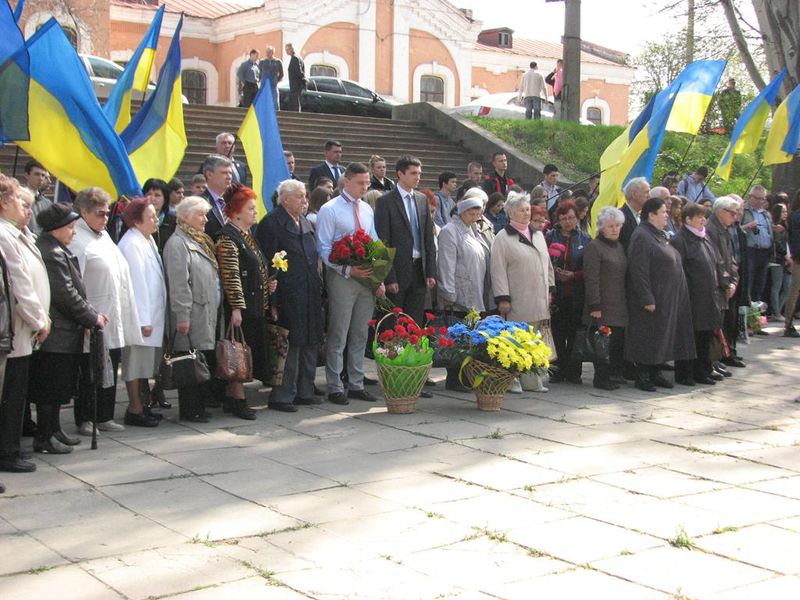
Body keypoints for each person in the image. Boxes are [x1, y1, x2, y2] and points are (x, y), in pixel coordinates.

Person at [31, 204, 106, 453]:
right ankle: (44, 436)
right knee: (50, 389)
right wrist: (91, 317)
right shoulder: (51, 252)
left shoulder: (57, 249)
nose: (74, 232)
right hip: (57, 335)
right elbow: (65, 294)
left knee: (59, 388)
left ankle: (54, 430)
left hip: (65, 333)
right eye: (70, 227)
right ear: (56, 228)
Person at [70, 187, 142, 435]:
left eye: (107, 213)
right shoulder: (77, 239)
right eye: (100, 213)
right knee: (90, 371)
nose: (105, 218)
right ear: (83, 212)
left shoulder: (103, 236)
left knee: (110, 364)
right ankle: (86, 418)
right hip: (93, 313)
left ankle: (104, 414)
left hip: (113, 313)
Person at [316, 162, 386, 405]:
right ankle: (335, 385)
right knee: (339, 332)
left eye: (367, 183)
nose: (365, 187)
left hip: (366, 277)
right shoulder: (330, 209)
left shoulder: (366, 208)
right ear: (346, 182)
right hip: (343, 277)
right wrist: (346, 268)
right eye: (360, 183)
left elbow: (374, 241)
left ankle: (356, 382)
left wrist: (378, 277)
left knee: (359, 332)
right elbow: (324, 248)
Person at [256, 180, 323, 412]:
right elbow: (267, 265)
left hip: (309, 290)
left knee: (310, 341)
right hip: (287, 293)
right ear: (286, 199)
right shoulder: (272, 223)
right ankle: (282, 395)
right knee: (289, 345)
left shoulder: (304, 221)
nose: (305, 201)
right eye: (300, 197)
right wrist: (272, 301)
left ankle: (305, 390)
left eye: (305, 196)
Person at [0, 174, 50, 473]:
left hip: (21, 331)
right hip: (14, 331)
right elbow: (19, 285)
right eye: (20, 199)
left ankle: (10, 448)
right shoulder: (5, 235)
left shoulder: (16, 233)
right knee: (11, 397)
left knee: (15, 395)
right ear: (5, 202)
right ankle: (7, 451)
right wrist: (39, 319)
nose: (25, 206)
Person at [216, 184, 278, 419]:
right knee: (238, 352)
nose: (255, 212)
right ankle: (237, 399)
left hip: (255, 305)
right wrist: (236, 308)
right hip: (242, 308)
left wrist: (268, 282)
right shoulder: (228, 238)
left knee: (246, 351)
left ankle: (234, 397)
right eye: (250, 208)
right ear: (236, 212)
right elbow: (231, 275)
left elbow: (256, 267)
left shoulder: (246, 235)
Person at [625, 198, 695, 392]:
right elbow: (638, 270)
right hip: (652, 297)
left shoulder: (658, 234)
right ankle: (643, 375)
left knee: (661, 336)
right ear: (651, 214)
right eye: (663, 212)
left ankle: (655, 372)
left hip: (667, 296)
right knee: (647, 336)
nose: (667, 215)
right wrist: (646, 297)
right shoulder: (641, 235)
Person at [163, 196, 223, 423]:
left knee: (199, 359)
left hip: (204, 309)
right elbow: (179, 284)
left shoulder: (198, 239)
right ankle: (190, 409)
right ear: (186, 216)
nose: (205, 219)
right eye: (201, 214)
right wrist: (182, 316)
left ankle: (198, 405)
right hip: (191, 313)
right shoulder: (178, 243)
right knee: (188, 361)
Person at [492, 192, 554, 393]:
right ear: (511, 212)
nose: (526, 213)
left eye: (528, 209)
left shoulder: (537, 234)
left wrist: (550, 287)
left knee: (534, 341)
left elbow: (547, 264)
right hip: (518, 298)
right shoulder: (503, 237)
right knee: (515, 341)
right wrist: (503, 297)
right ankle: (512, 380)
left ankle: (532, 380)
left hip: (539, 298)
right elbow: (498, 269)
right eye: (522, 210)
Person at [118, 199, 166, 428]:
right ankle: (134, 408)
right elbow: (136, 284)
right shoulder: (131, 244)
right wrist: (144, 320)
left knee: (146, 365)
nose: (156, 220)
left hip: (154, 315)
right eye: (151, 217)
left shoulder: (146, 240)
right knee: (135, 365)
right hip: (142, 319)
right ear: (137, 220)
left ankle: (143, 405)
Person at [375, 156, 437, 327]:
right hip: (397, 270)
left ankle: (412, 353)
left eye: (419, 173)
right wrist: (389, 277)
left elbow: (428, 239)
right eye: (413, 173)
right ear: (400, 174)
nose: (417, 177)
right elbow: (383, 242)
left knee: (414, 322)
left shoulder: (422, 199)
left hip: (419, 270)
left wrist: (430, 271)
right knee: (393, 323)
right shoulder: (385, 201)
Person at [437, 196, 491, 391]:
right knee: (458, 336)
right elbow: (446, 263)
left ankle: (467, 375)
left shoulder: (473, 230)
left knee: (470, 336)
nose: (475, 216)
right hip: (459, 293)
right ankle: (455, 377)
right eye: (471, 212)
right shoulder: (450, 231)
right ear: (461, 212)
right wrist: (448, 293)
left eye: (477, 213)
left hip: (475, 290)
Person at [673, 203, 727, 386]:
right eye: (699, 217)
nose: (703, 220)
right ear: (688, 219)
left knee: (705, 335)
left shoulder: (705, 237)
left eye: (704, 217)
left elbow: (716, 262)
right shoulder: (681, 240)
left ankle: (703, 368)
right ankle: (686, 372)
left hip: (708, 296)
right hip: (692, 297)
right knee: (690, 337)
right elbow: (679, 269)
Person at [583, 206, 627, 390]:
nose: (615, 229)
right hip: (602, 304)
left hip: (619, 303)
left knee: (615, 343)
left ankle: (612, 374)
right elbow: (591, 277)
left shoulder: (619, 246)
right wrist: (595, 304)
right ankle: (601, 378)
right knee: (602, 343)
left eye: (617, 225)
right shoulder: (595, 247)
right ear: (601, 227)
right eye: (610, 226)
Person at [547, 200, 591, 384]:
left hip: (576, 292)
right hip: (556, 293)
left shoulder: (585, 239)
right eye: (564, 218)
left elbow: (589, 267)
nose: (567, 222)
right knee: (557, 333)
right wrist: (555, 273)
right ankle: (557, 370)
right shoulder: (550, 236)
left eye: (571, 217)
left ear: (577, 217)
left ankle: (574, 371)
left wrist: (574, 274)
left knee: (575, 333)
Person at [706, 196, 745, 363]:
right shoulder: (711, 229)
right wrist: (726, 283)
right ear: (721, 211)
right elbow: (717, 259)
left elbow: (731, 258)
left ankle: (725, 355)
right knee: (715, 326)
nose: (735, 217)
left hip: (728, 283)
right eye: (732, 213)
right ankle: (714, 359)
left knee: (728, 322)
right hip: (717, 285)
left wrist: (734, 279)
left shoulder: (725, 228)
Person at [741, 185, 773, 315]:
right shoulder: (743, 211)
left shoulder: (766, 214)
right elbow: (735, 229)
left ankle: (757, 320)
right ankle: (746, 320)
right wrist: (748, 226)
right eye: (758, 198)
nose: (761, 201)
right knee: (749, 284)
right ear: (750, 197)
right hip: (750, 252)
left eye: (763, 199)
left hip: (764, 253)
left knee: (760, 286)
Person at [201, 154, 234, 241]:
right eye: (224, 173)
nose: (229, 177)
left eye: (230, 173)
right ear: (209, 175)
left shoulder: (233, 201)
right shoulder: (199, 203)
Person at [768, 202, 791, 321]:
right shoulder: (775, 227)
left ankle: (779, 310)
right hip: (777, 260)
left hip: (787, 260)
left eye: (786, 211)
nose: (785, 214)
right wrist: (787, 257)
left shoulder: (786, 226)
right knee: (776, 286)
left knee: (788, 286)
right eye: (783, 211)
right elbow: (777, 244)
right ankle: (776, 312)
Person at [143, 178, 177, 252]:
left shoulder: (174, 222)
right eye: (149, 194)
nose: (152, 198)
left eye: (157, 195)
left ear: (165, 199)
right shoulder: (137, 221)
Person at [619, 177, 650, 251]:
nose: (649, 196)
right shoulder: (620, 217)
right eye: (646, 192)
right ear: (635, 195)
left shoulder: (644, 217)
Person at [785, 191, 800, 337]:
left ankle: (788, 323)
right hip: (798, 259)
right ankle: (788, 324)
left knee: (795, 292)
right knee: (794, 292)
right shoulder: (797, 215)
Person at [23, 160, 52, 236]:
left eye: (43, 175)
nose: (40, 178)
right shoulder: (18, 198)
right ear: (27, 175)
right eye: (37, 174)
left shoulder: (47, 203)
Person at [258, 45, 283, 111]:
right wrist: (261, 80)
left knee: (275, 103)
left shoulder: (278, 62)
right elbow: (259, 72)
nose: (268, 53)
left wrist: (276, 81)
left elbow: (281, 74)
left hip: (273, 85)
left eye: (269, 52)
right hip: (264, 86)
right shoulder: (262, 62)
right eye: (267, 52)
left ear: (273, 52)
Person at [285, 43, 306, 112]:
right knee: (295, 103)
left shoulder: (295, 58)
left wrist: (304, 79)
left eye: (287, 49)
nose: (286, 51)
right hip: (296, 85)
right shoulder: (298, 57)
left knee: (295, 104)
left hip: (295, 85)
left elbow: (298, 71)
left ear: (291, 49)